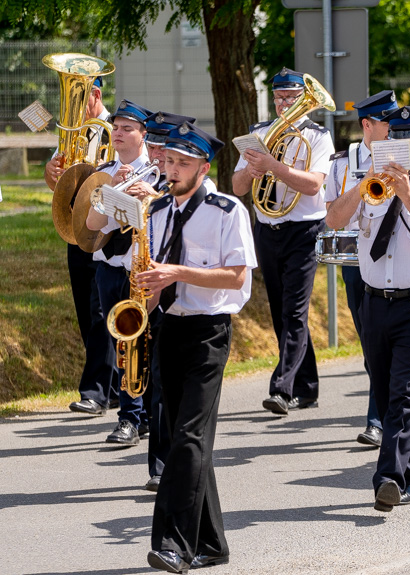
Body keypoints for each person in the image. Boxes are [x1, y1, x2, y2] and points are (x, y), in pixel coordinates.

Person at [325, 106, 410, 512]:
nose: (406, 148)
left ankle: (387, 479)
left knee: (404, 398)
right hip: (374, 303)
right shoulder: (370, 182)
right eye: (399, 140)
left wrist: (407, 194)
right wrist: (364, 182)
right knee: (385, 397)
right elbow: (333, 220)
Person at [139, 122, 257, 572]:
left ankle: (174, 544)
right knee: (183, 437)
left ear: (204, 167)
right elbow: (152, 279)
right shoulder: (154, 212)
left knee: (187, 438)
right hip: (168, 328)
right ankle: (213, 543)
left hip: (209, 331)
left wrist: (177, 273)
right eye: (168, 161)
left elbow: (236, 277)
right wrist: (139, 310)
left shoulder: (227, 211)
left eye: (182, 163)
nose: (171, 169)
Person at [231, 68, 335, 416]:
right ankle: (306, 387)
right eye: (280, 98)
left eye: (291, 98)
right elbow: (238, 187)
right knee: (282, 311)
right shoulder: (258, 134)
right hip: (267, 228)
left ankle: (281, 388)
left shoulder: (319, 136)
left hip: (304, 231)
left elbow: (313, 185)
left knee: (294, 310)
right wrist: (252, 169)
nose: (284, 104)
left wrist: (273, 165)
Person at [324, 90, 399, 447]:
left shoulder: (406, 154)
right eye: (388, 121)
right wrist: (365, 178)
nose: (395, 126)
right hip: (358, 259)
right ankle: (385, 409)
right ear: (368, 125)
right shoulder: (343, 161)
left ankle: (379, 419)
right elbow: (333, 215)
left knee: (388, 342)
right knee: (370, 340)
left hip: (400, 256)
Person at [46, 77, 117, 416]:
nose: (70, 108)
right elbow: (57, 184)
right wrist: (51, 171)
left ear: (96, 95)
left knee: (101, 310)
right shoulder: (73, 134)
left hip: (104, 232)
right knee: (85, 312)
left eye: (79, 97)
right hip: (75, 229)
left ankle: (95, 392)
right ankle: (113, 385)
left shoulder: (114, 130)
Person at [85, 100, 154, 447]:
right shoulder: (106, 170)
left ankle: (134, 417)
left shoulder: (156, 171)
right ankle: (135, 414)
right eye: (117, 127)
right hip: (109, 270)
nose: (120, 134)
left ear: (143, 135)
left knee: (141, 346)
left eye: (128, 128)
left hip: (141, 272)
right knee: (121, 345)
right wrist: (110, 187)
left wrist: (149, 196)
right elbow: (92, 224)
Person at [137, 111, 198, 491]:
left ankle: (171, 463)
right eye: (155, 146)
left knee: (171, 386)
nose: (158, 154)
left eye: (164, 147)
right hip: (148, 288)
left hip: (184, 295)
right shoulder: (140, 178)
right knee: (156, 382)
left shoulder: (174, 185)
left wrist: (154, 198)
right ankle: (159, 464)